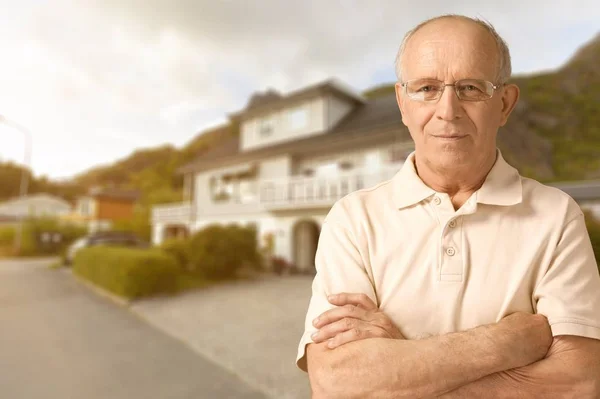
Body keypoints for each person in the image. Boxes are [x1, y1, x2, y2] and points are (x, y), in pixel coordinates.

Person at [296, 14, 600, 398]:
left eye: (471, 87)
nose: (448, 110)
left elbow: (578, 383)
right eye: (426, 88)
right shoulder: (352, 219)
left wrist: (400, 364)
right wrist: (505, 343)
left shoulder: (557, 216)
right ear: (402, 103)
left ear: (504, 104)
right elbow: (336, 382)